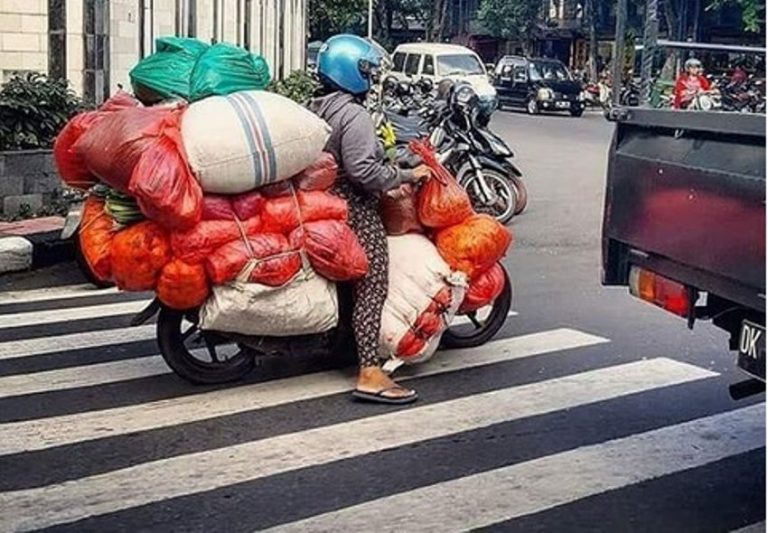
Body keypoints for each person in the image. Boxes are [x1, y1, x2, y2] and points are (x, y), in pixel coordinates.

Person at [309, 34, 431, 405]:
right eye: (368, 69)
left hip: (320, 203)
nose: (372, 76)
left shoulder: (316, 105)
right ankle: (369, 371)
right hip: (353, 207)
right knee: (373, 283)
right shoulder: (353, 114)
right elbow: (363, 170)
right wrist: (407, 176)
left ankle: (339, 342)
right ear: (351, 72)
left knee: (350, 282)